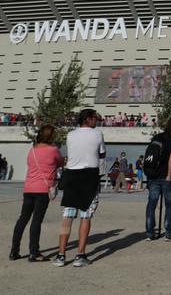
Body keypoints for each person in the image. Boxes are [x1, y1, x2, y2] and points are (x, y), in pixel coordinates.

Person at [55, 109, 106, 268]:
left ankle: (61, 255)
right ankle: (80, 254)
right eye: (95, 118)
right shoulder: (97, 134)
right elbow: (102, 154)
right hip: (89, 175)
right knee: (86, 216)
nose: (96, 121)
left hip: (71, 175)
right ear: (89, 119)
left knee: (68, 216)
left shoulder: (70, 135)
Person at [10, 124, 64, 261]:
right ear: (51, 136)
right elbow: (60, 163)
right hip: (43, 189)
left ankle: (14, 251)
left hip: (29, 187)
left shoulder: (32, 150)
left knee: (23, 218)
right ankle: (34, 252)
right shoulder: (53, 150)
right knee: (36, 220)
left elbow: (30, 164)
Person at [145, 117, 171, 241]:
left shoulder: (157, 137)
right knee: (169, 205)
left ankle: (150, 233)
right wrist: (169, 175)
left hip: (153, 175)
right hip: (165, 176)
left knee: (151, 204)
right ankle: (169, 232)